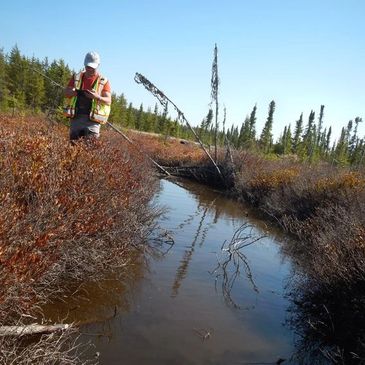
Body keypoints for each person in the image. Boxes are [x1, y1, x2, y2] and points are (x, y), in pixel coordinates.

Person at [63, 51, 112, 141]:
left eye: (92, 67)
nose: (89, 69)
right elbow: (66, 93)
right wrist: (73, 92)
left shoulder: (103, 81)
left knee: (91, 150)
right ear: (84, 64)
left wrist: (97, 97)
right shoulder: (76, 77)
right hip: (76, 119)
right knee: (73, 149)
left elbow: (108, 100)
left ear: (98, 65)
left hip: (93, 122)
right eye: (88, 66)